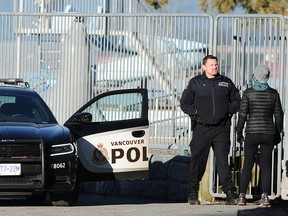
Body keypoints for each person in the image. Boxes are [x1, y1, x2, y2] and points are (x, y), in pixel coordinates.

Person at [180, 55, 241, 205]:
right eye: (212, 65)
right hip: (202, 128)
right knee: (197, 161)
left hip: (221, 128)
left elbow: (237, 100)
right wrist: (196, 112)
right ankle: (193, 193)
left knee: (222, 162)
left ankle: (230, 194)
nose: (215, 67)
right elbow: (184, 103)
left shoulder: (225, 82)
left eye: (216, 64)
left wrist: (228, 111)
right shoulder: (195, 83)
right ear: (204, 67)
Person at [236, 65, 284, 207]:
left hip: (252, 132)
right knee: (266, 165)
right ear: (267, 77)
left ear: (255, 76)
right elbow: (279, 116)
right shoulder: (274, 93)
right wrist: (278, 132)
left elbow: (242, 114)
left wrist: (239, 131)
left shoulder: (248, 93)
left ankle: (242, 197)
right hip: (268, 133)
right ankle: (265, 197)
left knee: (247, 165)